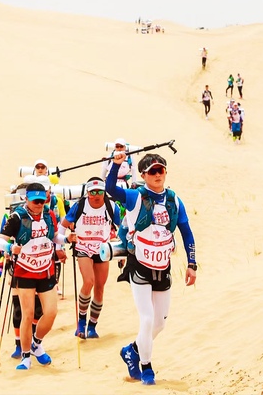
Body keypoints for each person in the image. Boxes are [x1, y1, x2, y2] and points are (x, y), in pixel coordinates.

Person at [106, 153, 197, 386]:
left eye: (161, 170)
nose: (158, 175)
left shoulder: (174, 201)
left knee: (160, 323)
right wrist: (116, 165)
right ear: (143, 175)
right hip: (140, 266)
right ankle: (147, 368)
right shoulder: (135, 197)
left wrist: (192, 264)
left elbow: (186, 233)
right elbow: (111, 190)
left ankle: (132, 350)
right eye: (152, 171)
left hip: (163, 266)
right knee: (147, 319)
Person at [0, 182, 68, 370]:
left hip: (46, 269)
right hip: (25, 270)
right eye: (35, 201)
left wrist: (67, 239)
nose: (39, 204)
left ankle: (37, 343)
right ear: (26, 199)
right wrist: (10, 247)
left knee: (51, 312)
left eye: (42, 201)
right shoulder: (17, 217)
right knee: (27, 315)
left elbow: (54, 237)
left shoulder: (49, 215)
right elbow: (0, 241)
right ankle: (26, 356)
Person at [59, 177, 121, 339]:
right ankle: (81, 322)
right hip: (83, 248)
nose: (96, 195)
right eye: (92, 192)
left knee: (99, 288)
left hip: (103, 249)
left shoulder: (111, 206)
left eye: (100, 191)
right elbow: (62, 225)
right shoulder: (79, 205)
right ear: (87, 193)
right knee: (88, 282)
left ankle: (92, 326)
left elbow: (121, 228)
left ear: (104, 192)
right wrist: (61, 245)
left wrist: (121, 251)